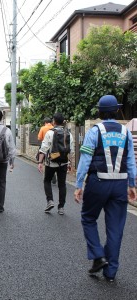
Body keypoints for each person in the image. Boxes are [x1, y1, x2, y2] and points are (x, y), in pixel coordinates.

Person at [74, 95, 136, 282]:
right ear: (117, 111)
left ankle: (98, 255)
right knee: (115, 229)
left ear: (100, 112)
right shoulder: (126, 133)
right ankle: (110, 272)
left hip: (98, 182)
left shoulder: (95, 131)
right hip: (120, 184)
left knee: (88, 217)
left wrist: (78, 184)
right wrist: (132, 184)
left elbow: (85, 159)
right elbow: (131, 162)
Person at [37, 112, 74, 215]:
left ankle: (50, 201)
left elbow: (43, 148)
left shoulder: (50, 133)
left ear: (53, 121)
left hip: (51, 162)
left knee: (47, 181)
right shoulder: (68, 134)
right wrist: (70, 163)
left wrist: (40, 162)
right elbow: (71, 151)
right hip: (63, 162)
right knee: (62, 184)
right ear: (63, 122)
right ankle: (61, 207)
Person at [38, 117, 57, 185]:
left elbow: (39, 138)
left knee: (45, 162)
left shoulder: (43, 128)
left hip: (46, 147)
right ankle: (54, 175)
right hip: (54, 148)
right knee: (53, 161)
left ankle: (46, 178)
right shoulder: (54, 128)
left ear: (45, 122)